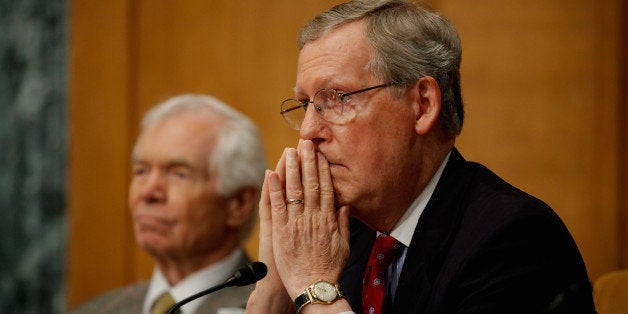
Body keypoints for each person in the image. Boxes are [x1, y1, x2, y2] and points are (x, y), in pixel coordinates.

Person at [245, 1, 595, 314]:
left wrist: (315, 287)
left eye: (336, 98)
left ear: (422, 105)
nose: (307, 131)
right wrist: (274, 285)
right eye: (306, 104)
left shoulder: (514, 239)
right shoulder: (343, 236)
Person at [70, 94, 267, 314]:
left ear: (239, 203)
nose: (148, 192)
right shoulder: (94, 310)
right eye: (141, 171)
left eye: (178, 174)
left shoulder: (274, 308)